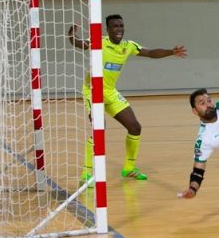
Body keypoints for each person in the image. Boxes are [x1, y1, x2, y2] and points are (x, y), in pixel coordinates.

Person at [68, 14, 187, 183]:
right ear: (108, 29)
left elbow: (150, 53)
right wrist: (71, 35)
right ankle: (86, 173)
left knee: (135, 127)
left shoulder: (128, 45)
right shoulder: (99, 42)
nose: (119, 29)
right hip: (92, 91)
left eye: (121, 26)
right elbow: (79, 44)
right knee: (99, 129)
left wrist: (171, 52)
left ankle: (129, 168)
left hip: (110, 92)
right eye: (115, 26)